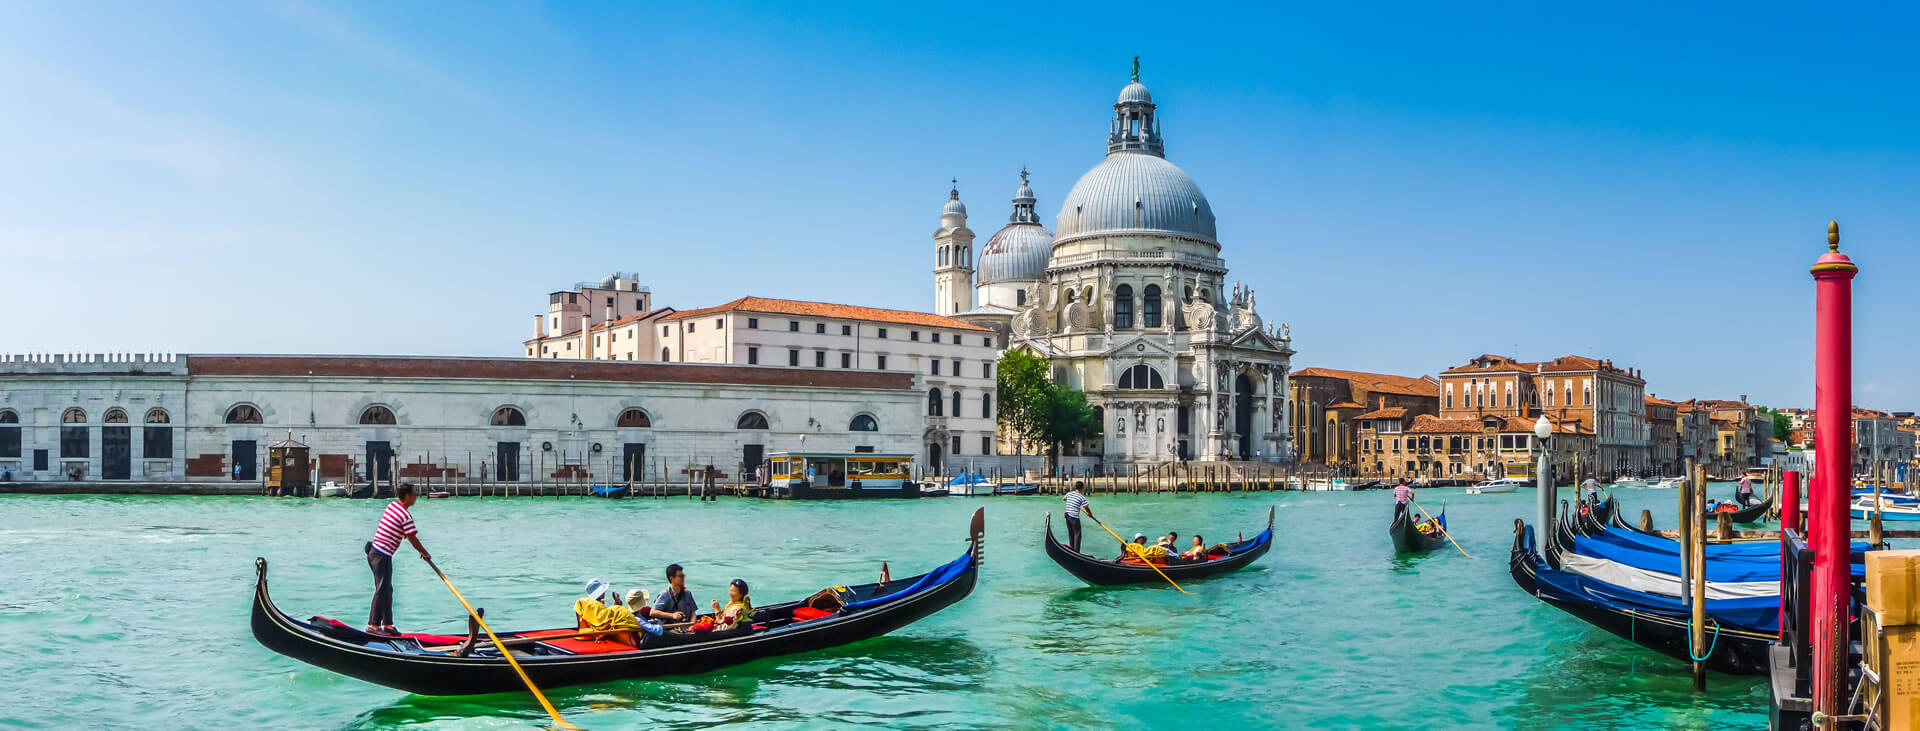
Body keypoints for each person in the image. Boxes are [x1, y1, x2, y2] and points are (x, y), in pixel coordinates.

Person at [366, 482, 429, 636]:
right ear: (407, 496)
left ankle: (388, 625)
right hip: (382, 555)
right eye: (414, 494)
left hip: (374, 552)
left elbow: (405, 534)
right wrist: (424, 553)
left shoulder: (392, 506)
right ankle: (373, 626)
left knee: (387, 589)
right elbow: (412, 538)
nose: (416, 497)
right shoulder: (405, 516)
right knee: (382, 589)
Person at [1063, 482, 1094, 552]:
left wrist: (1072, 503)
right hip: (1074, 518)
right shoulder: (1081, 497)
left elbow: (1064, 499)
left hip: (1067, 516)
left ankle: (1071, 549)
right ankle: (1076, 552)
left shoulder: (1069, 493)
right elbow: (1086, 508)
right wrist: (1090, 514)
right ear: (1082, 488)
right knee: (1077, 534)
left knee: (1071, 533)